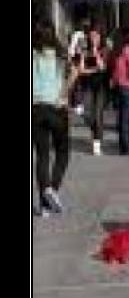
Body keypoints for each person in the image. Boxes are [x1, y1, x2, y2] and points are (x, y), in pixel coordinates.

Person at [33, 21, 75, 215]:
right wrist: (63, 94)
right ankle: (52, 190)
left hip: (36, 108)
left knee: (42, 155)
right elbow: (74, 73)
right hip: (57, 107)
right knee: (63, 152)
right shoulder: (61, 54)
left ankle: (44, 203)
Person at [77, 23, 108, 154]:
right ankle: (95, 131)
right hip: (87, 86)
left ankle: (97, 143)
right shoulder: (84, 49)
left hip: (100, 86)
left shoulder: (104, 49)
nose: (93, 38)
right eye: (91, 35)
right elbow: (81, 70)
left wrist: (95, 51)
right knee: (86, 113)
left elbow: (102, 66)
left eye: (96, 36)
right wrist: (92, 69)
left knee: (98, 114)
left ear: (100, 37)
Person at [110, 29, 129, 155]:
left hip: (119, 86)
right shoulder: (128, 50)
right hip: (128, 86)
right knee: (126, 117)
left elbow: (115, 71)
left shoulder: (117, 52)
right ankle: (125, 145)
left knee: (121, 116)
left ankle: (122, 144)